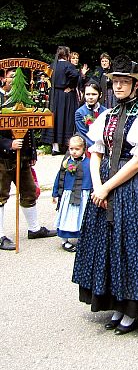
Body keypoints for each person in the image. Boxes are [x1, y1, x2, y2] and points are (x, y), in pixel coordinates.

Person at [71, 55, 138, 334]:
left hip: (132, 187)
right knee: (108, 241)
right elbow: (96, 152)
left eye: (125, 82)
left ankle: (131, 308)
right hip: (106, 184)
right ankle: (115, 301)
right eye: (116, 82)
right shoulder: (106, 116)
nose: (119, 86)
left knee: (130, 242)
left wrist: (108, 186)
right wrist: (98, 185)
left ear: (136, 86)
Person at [0, 106, 57, 251]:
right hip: (3, 159)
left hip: (23, 159)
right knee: (0, 196)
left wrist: (32, 153)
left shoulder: (22, 103)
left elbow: (28, 128)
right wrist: (8, 144)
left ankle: (34, 229)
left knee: (29, 192)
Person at [43, 46, 89, 154]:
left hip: (54, 95)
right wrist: (71, 86)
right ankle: (66, 146)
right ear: (66, 54)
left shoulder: (52, 65)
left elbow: (46, 75)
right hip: (65, 95)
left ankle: (55, 147)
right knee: (67, 118)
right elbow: (75, 75)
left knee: (55, 118)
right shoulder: (68, 65)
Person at [52, 135, 92, 252]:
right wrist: (55, 193)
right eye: (71, 149)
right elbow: (59, 178)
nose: (74, 152)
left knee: (82, 216)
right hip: (69, 194)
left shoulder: (89, 163)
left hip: (84, 194)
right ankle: (65, 240)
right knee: (67, 215)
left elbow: (93, 177)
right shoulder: (66, 163)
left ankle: (83, 238)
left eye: (77, 149)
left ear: (83, 149)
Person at [75, 81, 106, 149]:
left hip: (104, 146)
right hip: (88, 147)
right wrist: (97, 148)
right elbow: (83, 134)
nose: (90, 97)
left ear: (100, 95)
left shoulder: (105, 111)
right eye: (88, 94)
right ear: (84, 94)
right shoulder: (80, 112)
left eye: (94, 94)